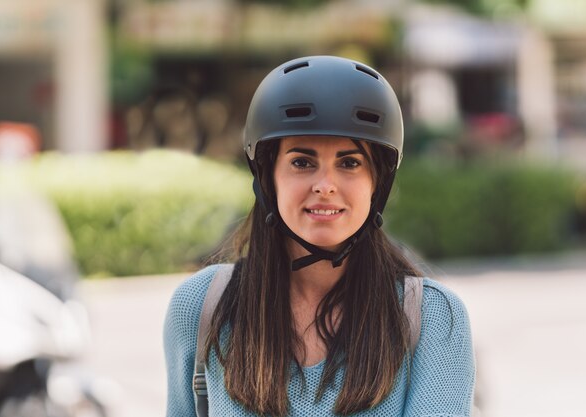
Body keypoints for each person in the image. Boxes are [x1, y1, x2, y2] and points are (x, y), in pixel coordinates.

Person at [164, 55, 475, 417]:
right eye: (302, 162)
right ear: (268, 177)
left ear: (378, 181)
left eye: (349, 163)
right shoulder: (202, 307)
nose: (325, 186)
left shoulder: (433, 318)